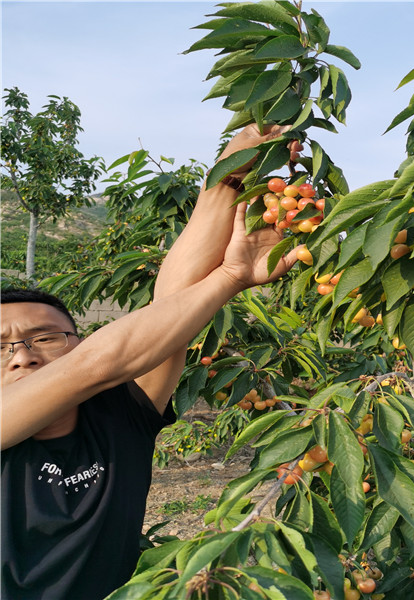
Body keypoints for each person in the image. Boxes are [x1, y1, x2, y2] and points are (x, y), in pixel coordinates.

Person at [1, 124, 297, 600]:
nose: (23, 356)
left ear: (75, 342)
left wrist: (228, 178)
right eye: (1, 346)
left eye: (45, 336)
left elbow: (169, 307)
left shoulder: (119, 416)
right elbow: (94, 366)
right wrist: (228, 277)